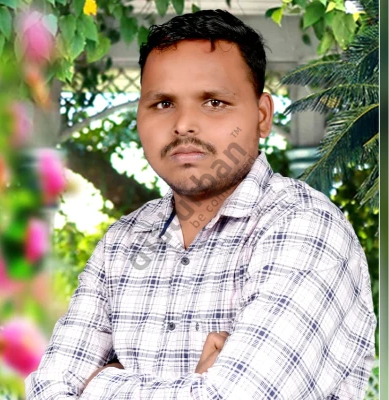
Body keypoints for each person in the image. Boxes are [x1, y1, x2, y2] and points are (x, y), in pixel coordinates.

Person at [26, 9, 376, 399]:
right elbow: (47, 388)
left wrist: (99, 382)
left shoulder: (307, 227)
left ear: (262, 116)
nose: (183, 125)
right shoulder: (122, 244)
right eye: (163, 103)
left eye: (214, 102)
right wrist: (198, 385)